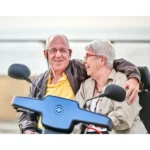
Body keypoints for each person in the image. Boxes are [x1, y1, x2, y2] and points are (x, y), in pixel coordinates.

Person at [18, 34, 141, 134]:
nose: (58, 55)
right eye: (53, 50)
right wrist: (28, 130)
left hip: (68, 131)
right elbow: (27, 112)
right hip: (43, 132)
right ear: (46, 54)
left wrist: (134, 77)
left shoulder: (80, 69)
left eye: (63, 50)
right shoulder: (38, 81)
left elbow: (109, 62)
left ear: (69, 53)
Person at [74, 39, 147, 134]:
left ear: (102, 60)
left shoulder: (123, 81)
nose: (84, 61)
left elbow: (123, 119)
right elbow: (75, 115)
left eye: (87, 56)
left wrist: (94, 121)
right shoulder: (86, 85)